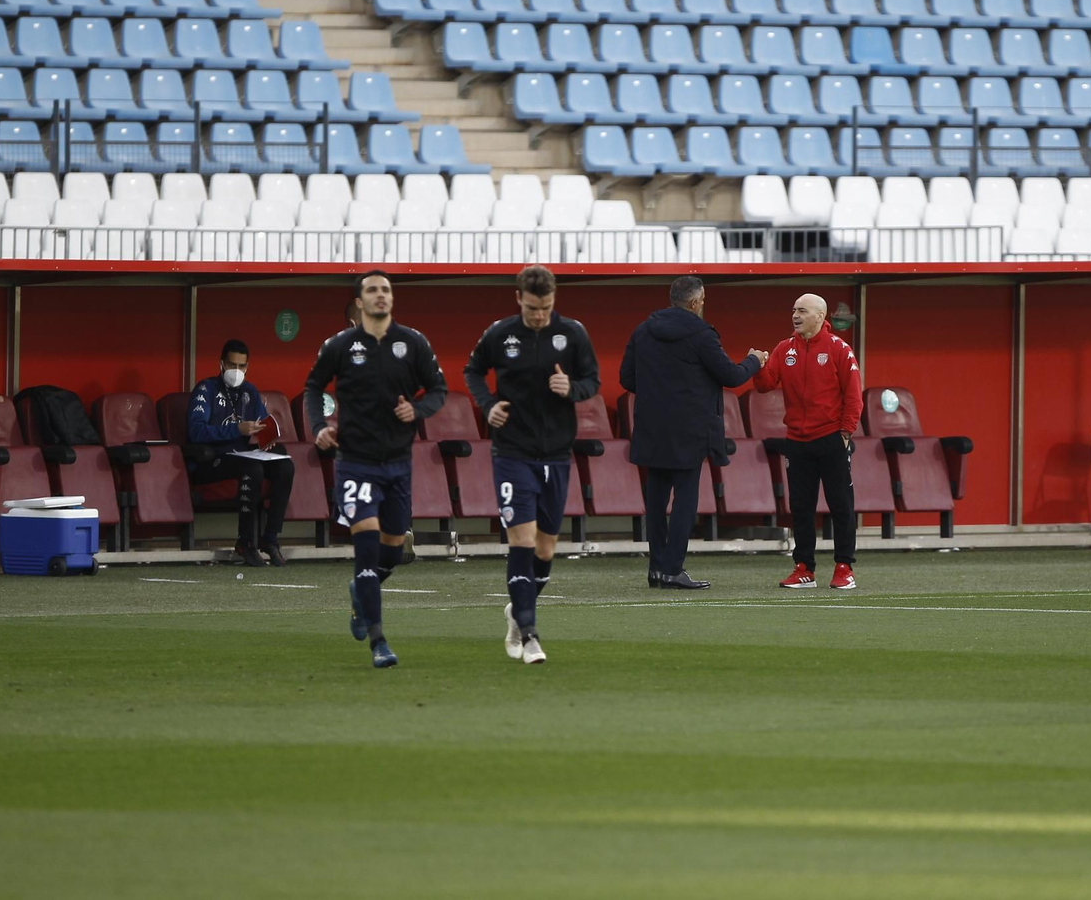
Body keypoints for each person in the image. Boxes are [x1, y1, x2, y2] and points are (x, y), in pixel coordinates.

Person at [304, 270, 447, 668]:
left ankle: (359, 592)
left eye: (386, 289)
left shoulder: (412, 342)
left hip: (398, 464)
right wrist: (319, 428)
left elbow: (438, 389)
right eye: (372, 290)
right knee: (366, 547)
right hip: (356, 463)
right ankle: (379, 641)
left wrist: (416, 410)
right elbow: (313, 387)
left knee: (392, 549)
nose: (380, 295)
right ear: (359, 302)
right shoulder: (341, 346)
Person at [464, 266, 600, 665]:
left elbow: (593, 380)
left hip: (557, 453)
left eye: (545, 307)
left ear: (553, 300)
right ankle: (530, 635)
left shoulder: (572, 332)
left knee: (546, 548)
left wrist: (571, 389)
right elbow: (472, 371)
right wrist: (488, 405)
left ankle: (515, 612)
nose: (539, 315)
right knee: (521, 542)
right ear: (518, 298)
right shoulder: (500, 333)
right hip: (512, 452)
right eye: (532, 307)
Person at [620, 276, 766, 589]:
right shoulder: (701, 334)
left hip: (651, 427)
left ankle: (657, 570)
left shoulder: (643, 330)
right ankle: (674, 568)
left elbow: (627, 378)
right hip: (689, 428)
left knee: (656, 502)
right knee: (685, 500)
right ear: (696, 302)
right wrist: (755, 360)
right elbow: (730, 375)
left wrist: (658, 390)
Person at [752, 293, 862, 590]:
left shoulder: (839, 349)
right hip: (797, 440)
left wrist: (845, 434)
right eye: (793, 310)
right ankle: (804, 568)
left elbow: (853, 396)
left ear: (819, 316)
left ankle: (844, 567)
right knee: (801, 506)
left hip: (831, 439)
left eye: (802, 310)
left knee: (841, 504)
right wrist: (758, 365)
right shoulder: (783, 349)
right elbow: (764, 385)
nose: (795, 316)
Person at [187, 339, 294, 568]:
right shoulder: (205, 389)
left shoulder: (249, 391)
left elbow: (263, 425)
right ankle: (245, 541)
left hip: (246, 454)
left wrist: (267, 441)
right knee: (252, 468)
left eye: (242, 366)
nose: (236, 371)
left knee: (284, 463)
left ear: (248, 366)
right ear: (221, 364)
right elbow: (196, 431)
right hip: (213, 460)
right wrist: (236, 428)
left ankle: (270, 538)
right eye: (232, 365)